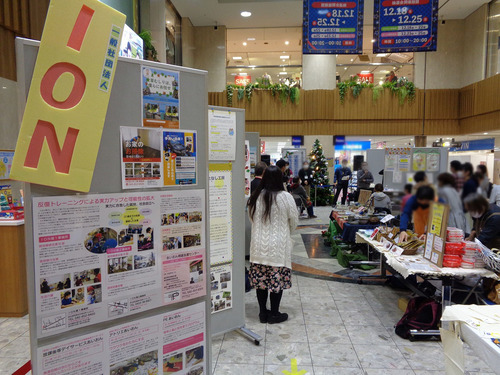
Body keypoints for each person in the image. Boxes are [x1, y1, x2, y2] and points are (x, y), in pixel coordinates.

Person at [247, 165, 298, 324]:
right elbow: (294, 222)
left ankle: (263, 313)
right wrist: (284, 230)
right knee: (277, 281)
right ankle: (274, 314)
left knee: (261, 282)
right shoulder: (286, 197)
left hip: (258, 247)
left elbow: (251, 218)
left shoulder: (255, 196)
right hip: (278, 247)